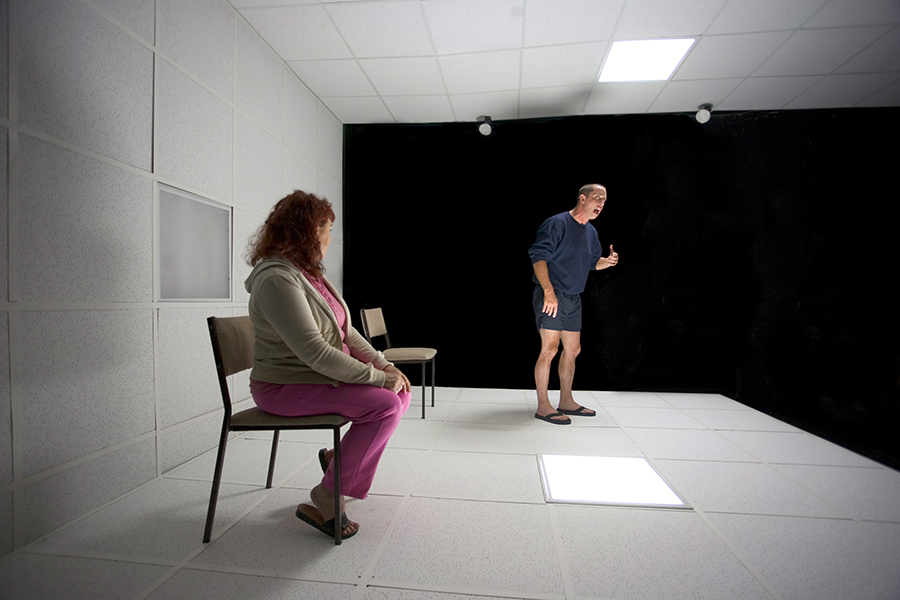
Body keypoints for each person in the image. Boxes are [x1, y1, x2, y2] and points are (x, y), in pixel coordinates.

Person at [244, 190, 411, 539]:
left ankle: (339, 460)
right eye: (328, 229)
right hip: (284, 387)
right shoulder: (276, 279)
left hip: (315, 377)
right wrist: (376, 378)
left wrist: (385, 367)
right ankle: (328, 493)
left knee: (400, 393)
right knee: (384, 406)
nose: (331, 237)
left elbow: (347, 333)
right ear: (309, 230)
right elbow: (316, 353)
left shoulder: (308, 275)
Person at [528, 183, 619, 425]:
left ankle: (566, 400)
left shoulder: (591, 232)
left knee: (573, 350)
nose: (601, 204)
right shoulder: (556, 223)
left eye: (604, 201)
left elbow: (592, 263)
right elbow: (538, 257)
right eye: (597, 198)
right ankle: (543, 406)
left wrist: (607, 262)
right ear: (583, 198)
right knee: (549, 349)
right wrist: (548, 292)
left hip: (573, 298)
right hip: (552, 294)